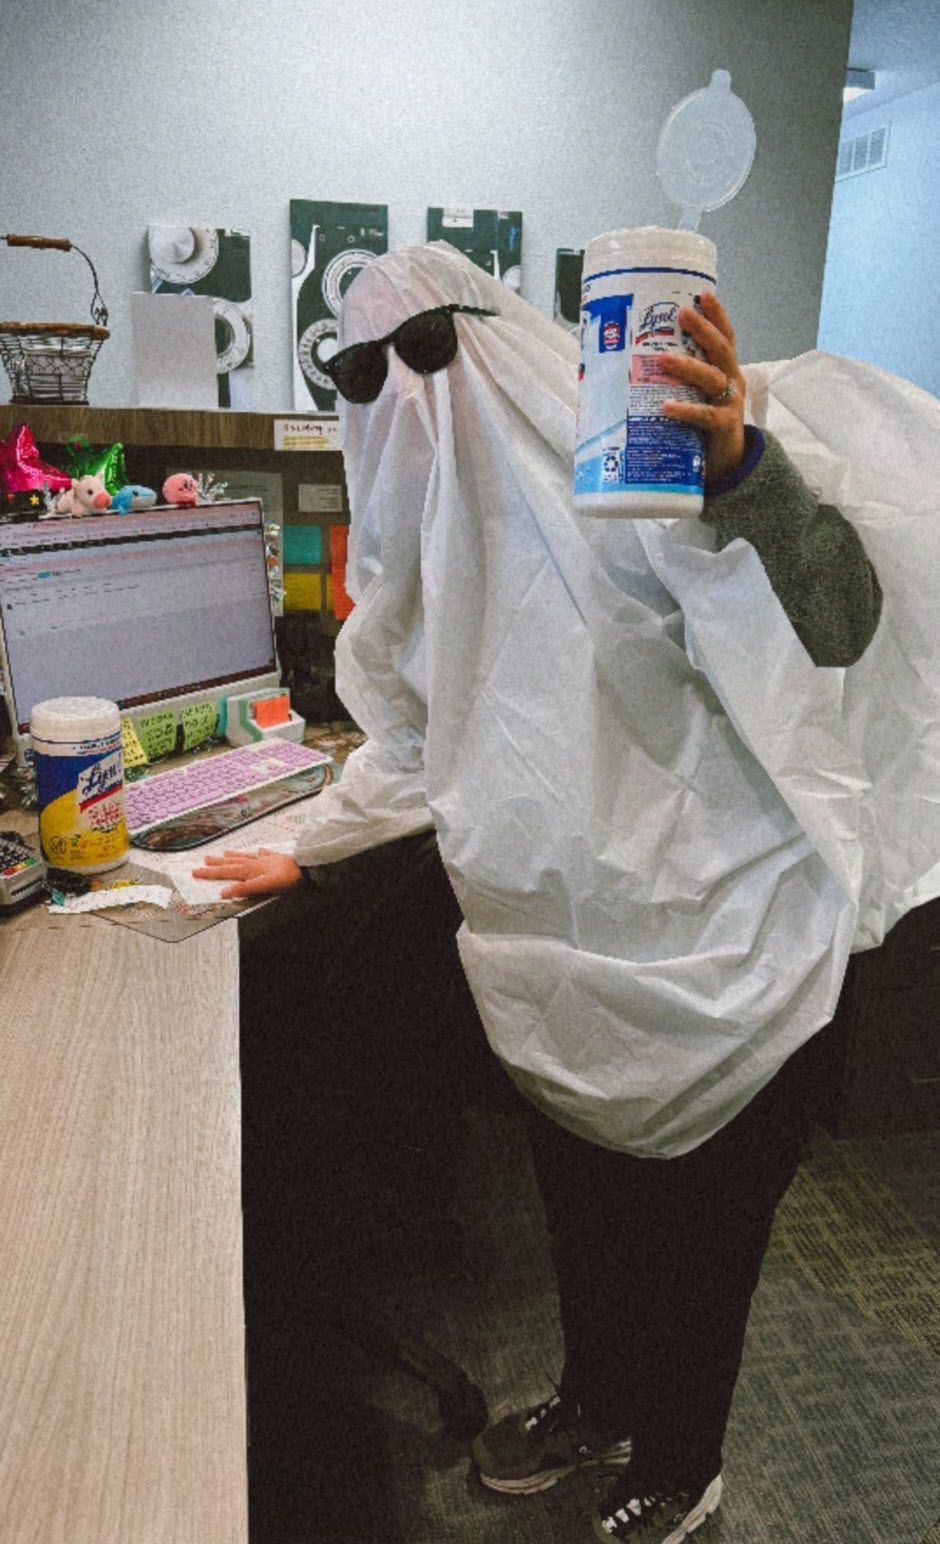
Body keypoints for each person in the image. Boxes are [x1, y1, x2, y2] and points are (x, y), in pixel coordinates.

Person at [191, 242, 896, 1542]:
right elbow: (406, 739)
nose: (396, 398)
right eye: (355, 371)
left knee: (698, 1240)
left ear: (496, 340)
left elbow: (839, 620)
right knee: (592, 1206)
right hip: (562, 958)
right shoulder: (437, 547)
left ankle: (683, 1464)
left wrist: (741, 470)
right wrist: (316, 849)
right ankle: (597, 1399)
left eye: (416, 357)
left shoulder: (647, 483)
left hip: (735, 958)